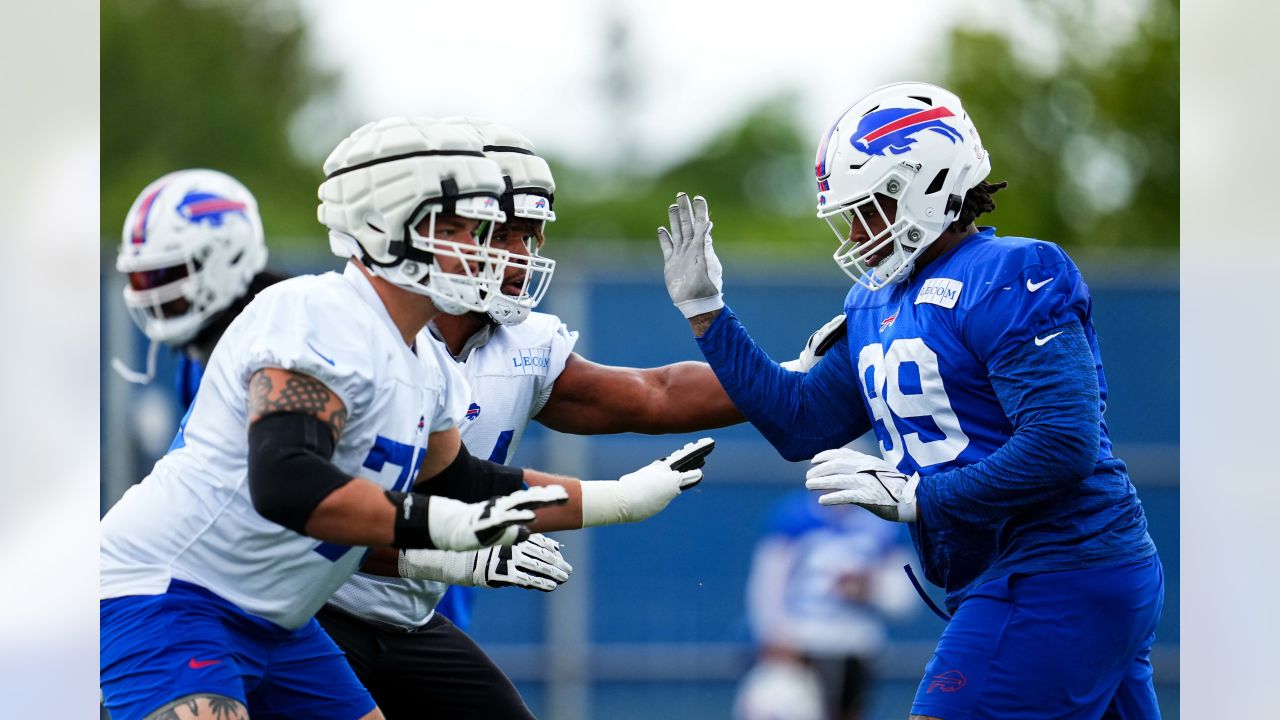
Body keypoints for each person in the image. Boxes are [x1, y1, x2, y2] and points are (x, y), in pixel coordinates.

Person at [99, 117, 708, 720]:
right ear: (388, 230)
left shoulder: (428, 365)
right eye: (468, 229)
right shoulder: (315, 316)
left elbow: (465, 483)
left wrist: (621, 497)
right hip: (170, 597)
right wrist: (452, 531)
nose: (487, 249)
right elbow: (288, 481)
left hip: (278, 621)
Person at [658, 82, 1164, 719]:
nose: (859, 232)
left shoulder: (1010, 272)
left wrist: (921, 496)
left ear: (925, 185)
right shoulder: (874, 302)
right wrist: (708, 315)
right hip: (1030, 573)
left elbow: (1063, 443)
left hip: (1058, 565)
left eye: (872, 207)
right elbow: (800, 424)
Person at [315, 118, 748, 719]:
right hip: (306, 606)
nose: (521, 255)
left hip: (405, 615)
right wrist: (463, 554)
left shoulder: (507, 346)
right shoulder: (342, 331)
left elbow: (653, 393)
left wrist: (784, 380)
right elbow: (305, 514)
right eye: (503, 232)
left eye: (532, 236)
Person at [735, 487, 917, 720]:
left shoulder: (884, 523)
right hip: (802, 643)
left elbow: (904, 599)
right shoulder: (793, 518)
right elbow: (767, 583)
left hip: (857, 646)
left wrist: (871, 590)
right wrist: (773, 632)